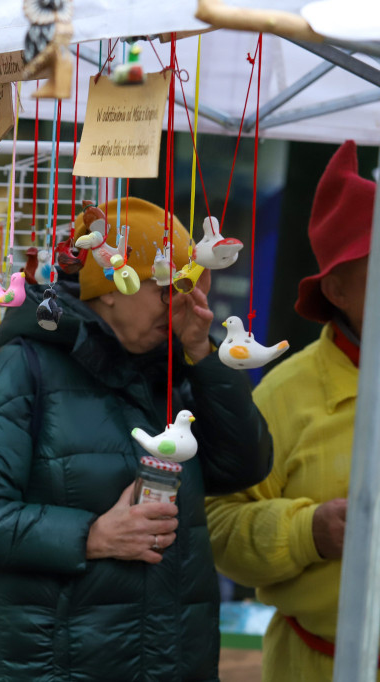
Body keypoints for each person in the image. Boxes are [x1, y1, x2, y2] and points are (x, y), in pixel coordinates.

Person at [0, 197, 272, 682]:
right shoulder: (20, 371)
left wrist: (204, 352)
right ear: (109, 288)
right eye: (167, 289)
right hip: (47, 665)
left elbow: (244, 467)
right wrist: (91, 536)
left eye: (192, 289)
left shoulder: (175, 370)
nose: (182, 304)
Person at [205, 140, 375, 681]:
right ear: (338, 288)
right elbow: (215, 526)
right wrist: (310, 531)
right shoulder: (285, 395)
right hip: (316, 667)